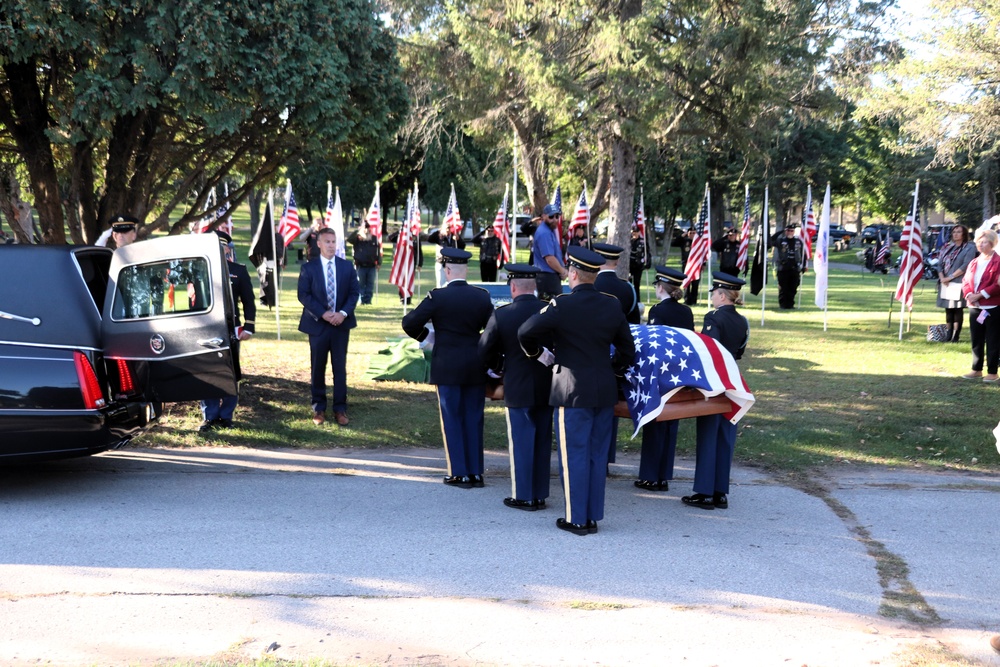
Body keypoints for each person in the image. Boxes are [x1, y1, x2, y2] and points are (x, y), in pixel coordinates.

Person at [518, 246, 635, 536]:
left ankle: (576, 519)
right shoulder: (612, 304)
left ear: (572, 273)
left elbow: (525, 332)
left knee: (574, 455)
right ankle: (592, 515)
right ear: (593, 276)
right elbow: (626, 350)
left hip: (571, 390)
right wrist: (613, 369)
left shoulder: (562, 305)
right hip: (604, 388)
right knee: (596, 454)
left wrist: (540, 355)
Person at [402, 247, 495, 488]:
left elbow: (410, 323)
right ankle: (475, 472)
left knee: (452, 418)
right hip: (475, 364)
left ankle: (458, 472)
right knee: (474, 418)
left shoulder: (438, 297)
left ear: (447, 270)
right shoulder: (482, 296)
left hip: (448, 366)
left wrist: (429, 336)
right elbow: (493, 331)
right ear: (466, 270)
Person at [479, 264, 553, 511]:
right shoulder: (550, 311)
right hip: (548, 384)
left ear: (512, 287)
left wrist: (500, 365)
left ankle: (523, 495)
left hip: (517, 385)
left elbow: (484, 350)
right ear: (534, 287)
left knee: (521, 441)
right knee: (542, 440)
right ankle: (540, 494)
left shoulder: (502, 314)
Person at [682, 272, 750, 510]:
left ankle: (705, 492)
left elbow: (708, 351)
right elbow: (738, 351)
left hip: (716, 381)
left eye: (714, 293)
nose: (712, 297)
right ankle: (720, 491)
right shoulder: (743, 321)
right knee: (725, 437)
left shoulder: (713, 317)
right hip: (734, 380)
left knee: (709, 436)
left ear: (722, 295)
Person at [635, 266, 694, 491]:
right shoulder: (686, 311)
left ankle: (651, 476)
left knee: (655, 422)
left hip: (659, 373)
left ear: (661, 287)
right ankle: (664, 476)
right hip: (679, 372)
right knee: (671, 424)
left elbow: (653, 343)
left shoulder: (657, 311)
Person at [297, 228, 360, 426]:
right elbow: (304, 295)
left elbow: (353, 293)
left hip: (341, 325)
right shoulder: (309, 268)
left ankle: (340, 409)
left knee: (339, 368)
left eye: (334, 241)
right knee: (318, 368)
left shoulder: (347, 267)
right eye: (327, 242)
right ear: (319, 244)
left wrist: (342, 313)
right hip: (318, 325)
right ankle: (319, 409)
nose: (331, 245)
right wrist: (323, 313)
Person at [199, 231, 256, 431]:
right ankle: (210, 416)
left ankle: (227, 416)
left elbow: (249, 301)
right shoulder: (199, 270)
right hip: (205, 328)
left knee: (230, 371)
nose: (218, 249)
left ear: (226, 248)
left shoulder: (238, 271)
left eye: (221, 246)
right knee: (207, 371)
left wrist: (249, 326)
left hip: (230, 328)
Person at [961, 228, 1000, 382]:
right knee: (976, 339)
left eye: (984, 242)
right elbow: (965, 281)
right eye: (979, 242)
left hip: (992, 307)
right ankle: (976, 369)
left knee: (992, 339)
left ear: (992, 243)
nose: (980, 245)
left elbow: (998, 284)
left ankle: (992, 372)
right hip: (975, 307)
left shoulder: (998, 262)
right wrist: (969, 294)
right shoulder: (974, 262)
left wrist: (981, 294)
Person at [936, 225, 975, 342]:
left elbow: (966, 265)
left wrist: (950, 277)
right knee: (948, 308)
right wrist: (943, 277)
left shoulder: (969, 248)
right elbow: (939, 264)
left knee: (957, 308)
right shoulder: (947, 248)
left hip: (958, 281)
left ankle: (956, 335)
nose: (956, 234)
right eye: (954, 232)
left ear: (964, 234)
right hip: (945, 282)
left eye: (959, 232)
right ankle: (948, 334)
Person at [593, 242, 641, 324]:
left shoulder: (591, 285)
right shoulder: (629, 288)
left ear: (597, 260)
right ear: (617, 261)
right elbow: (635, 321)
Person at [531, 204, 568, 301]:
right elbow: (550, 259)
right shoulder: (544, 233)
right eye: (551, 216)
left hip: (549, 277)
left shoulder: (548, 231)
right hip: (547, 278)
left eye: (557, 216)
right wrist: (563, 271)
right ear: (543, 216)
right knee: (551, 311)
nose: (555, 219)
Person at [346, 222, 381, 305]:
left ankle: (368, 300)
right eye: (364, 228)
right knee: (360, 284)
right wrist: (357, 231)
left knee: (370, 284)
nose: (366, 230)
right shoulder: (357, 239)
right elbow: (349, 239)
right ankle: (361, 300)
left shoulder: (374, 239)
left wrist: (379, 262)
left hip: (372, 266)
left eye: (367, 228)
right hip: (360, 266)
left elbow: (378, 252)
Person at [772, 223, 805, 309]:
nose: (790, 232)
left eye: (792, 231)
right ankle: (783, 304)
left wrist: (804, 266)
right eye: (788, 230)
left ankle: (790, 304)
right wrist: (780, 231)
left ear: (794, 232)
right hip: (783, 268)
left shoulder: (798, 242)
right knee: (783, 288)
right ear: (785, 231)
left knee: (793, 287)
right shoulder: (780, 241)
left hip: (795, 268)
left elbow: (803, 255)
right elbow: (770, 240)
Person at [678, 228, 701, 305]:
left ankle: (694, 300)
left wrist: (703, 264)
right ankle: (687, 300)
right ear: (688, 233)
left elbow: (702, 254)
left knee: (695, 283)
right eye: (691, 233)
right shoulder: (684, 241)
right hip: (686, 265)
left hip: (696, 265)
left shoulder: (699, 242)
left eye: (694, 233)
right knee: (686, 283)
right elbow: (674, 242)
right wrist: (682, 236)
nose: (692, 235)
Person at [628, 225, 649, 296]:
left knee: (637, 283)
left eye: (636, 232)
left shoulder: (643, 242)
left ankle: (637, 300)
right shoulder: (628, 241)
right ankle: (630, 298)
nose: (634, 233)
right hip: (629, 265)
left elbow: (647, 253)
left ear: (639, 232)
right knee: (629, 283)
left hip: (638, 265)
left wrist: (648, 263)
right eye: (633, 232)